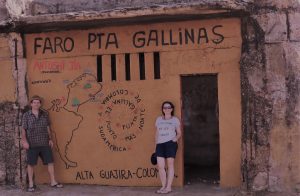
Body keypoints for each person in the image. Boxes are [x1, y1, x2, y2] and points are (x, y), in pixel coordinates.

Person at [21, 95, 63, 192]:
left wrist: (50, 139)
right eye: (34, 102)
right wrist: (24, 141)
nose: (36, 104)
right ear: (31, 104)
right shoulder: (26, 115)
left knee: (50, 162)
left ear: (40, 104)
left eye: (38, 102)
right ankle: (31, 184)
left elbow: (48, 127)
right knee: (30, 164)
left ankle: (53, 181)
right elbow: (23, 129)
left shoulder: (45, 114)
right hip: (32, 144)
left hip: (44, 143)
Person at [155, 101, 182, 194]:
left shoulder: (175, 120)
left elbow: (179, 133)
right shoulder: (158, 119)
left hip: (171, 144)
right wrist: (156, 143)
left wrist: (175, 138)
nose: (166, 109)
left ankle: (168, 187)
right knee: (160, 166)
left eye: (168, 107)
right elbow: (157, 132)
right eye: (164, 107)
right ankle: (163, 186)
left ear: (171, 109)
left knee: (170, 165)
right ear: (163, 109)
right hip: (160, 145)